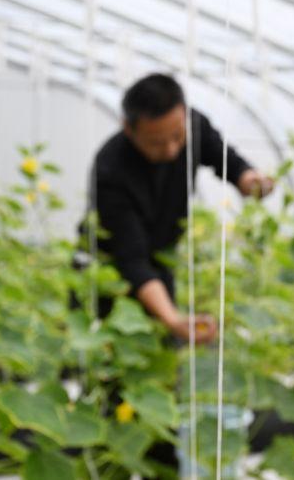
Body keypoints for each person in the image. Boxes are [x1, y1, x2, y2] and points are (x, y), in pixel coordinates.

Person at [85, 73, 274, 342]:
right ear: (128, 128)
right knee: (114, 350)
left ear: (184, 114)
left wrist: (250, 180)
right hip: (110, 273)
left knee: (164, 349)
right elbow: (132, 260)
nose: (171, 149)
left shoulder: (194, 126)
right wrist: (172, 319)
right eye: (156, 142)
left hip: (160, 263)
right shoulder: (110, 169)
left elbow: (227, 161)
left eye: (177, 136)